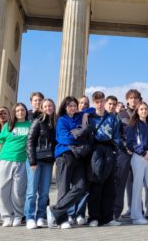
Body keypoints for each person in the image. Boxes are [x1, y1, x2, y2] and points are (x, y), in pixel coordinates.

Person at [47, 96, 89, 229]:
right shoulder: (61, 120)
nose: (73, 107)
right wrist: (81, 133)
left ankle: (55, 209)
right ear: (65, 107)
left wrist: (86, 115)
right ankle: (61, 220)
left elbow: (93, 109)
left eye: (74, 105)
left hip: (78, 156)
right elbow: (65, 138)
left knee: (81, 186)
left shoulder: (79, 116)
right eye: (70, 105)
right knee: (63, 188)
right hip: (64, 155)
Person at [0, 103, 31, 227]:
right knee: (2, 189)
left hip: (22, 160)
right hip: (5, 159)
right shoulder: (8, 125)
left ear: (26, 111)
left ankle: (18, 216)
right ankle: (6, 216)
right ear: (14, 112)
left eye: (22, 110)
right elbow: (0, 143)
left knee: (18, 191)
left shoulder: (31, 125)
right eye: (17, 110)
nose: (20, 112)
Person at [86, 92, 122, 227]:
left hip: (109, 149)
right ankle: (94, 217)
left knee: (109, 185)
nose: (100, 104)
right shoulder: (89, 117)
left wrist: (116, 149)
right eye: (97, 102)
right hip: (95, 149)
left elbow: (117, 135)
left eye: (102, 101)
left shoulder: (112, 118)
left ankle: (107, 218)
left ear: (105, 102)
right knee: (96, 183)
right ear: (94, 103)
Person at [126, 102, 148, 225]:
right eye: (141, 109)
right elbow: (130, 142)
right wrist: (142, 152)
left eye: (146, 109)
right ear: (137, 111)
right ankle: (136, 216)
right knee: (137, 186)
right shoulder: (133, 125)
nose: (144, 111)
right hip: (138, 158)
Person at [25, 98, 57, 229]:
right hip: (36, 160)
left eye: (50, 106)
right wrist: (32, 161)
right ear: (42, 108)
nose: (48, 108)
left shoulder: (55, 123)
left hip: (48, 162)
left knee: (44, 192)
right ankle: (29, 217)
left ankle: (40, 217)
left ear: (53, 107)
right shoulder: (37, 122)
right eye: (46, 106)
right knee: (32, 192)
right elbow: (30, 142)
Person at [113, 88, 141, 220]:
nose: (133, 100)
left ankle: (136, 210)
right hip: (124, 152)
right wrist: (125, 147)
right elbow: (117, 133)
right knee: (122, 182)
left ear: (139, 100)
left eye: (135, 98)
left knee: (137, 182)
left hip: (139, 152)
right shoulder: (121, 114)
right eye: (131, 98)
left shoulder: (143, 112)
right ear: (127, 99)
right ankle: (116, 212)